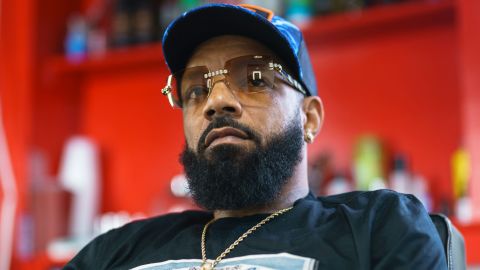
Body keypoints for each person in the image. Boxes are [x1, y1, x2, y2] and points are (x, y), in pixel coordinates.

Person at [64, 3, 447, 270]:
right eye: (196, 89)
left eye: (256, 79)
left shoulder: (377, 227)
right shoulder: (116, 251)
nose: (216, 101)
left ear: (309, 118)